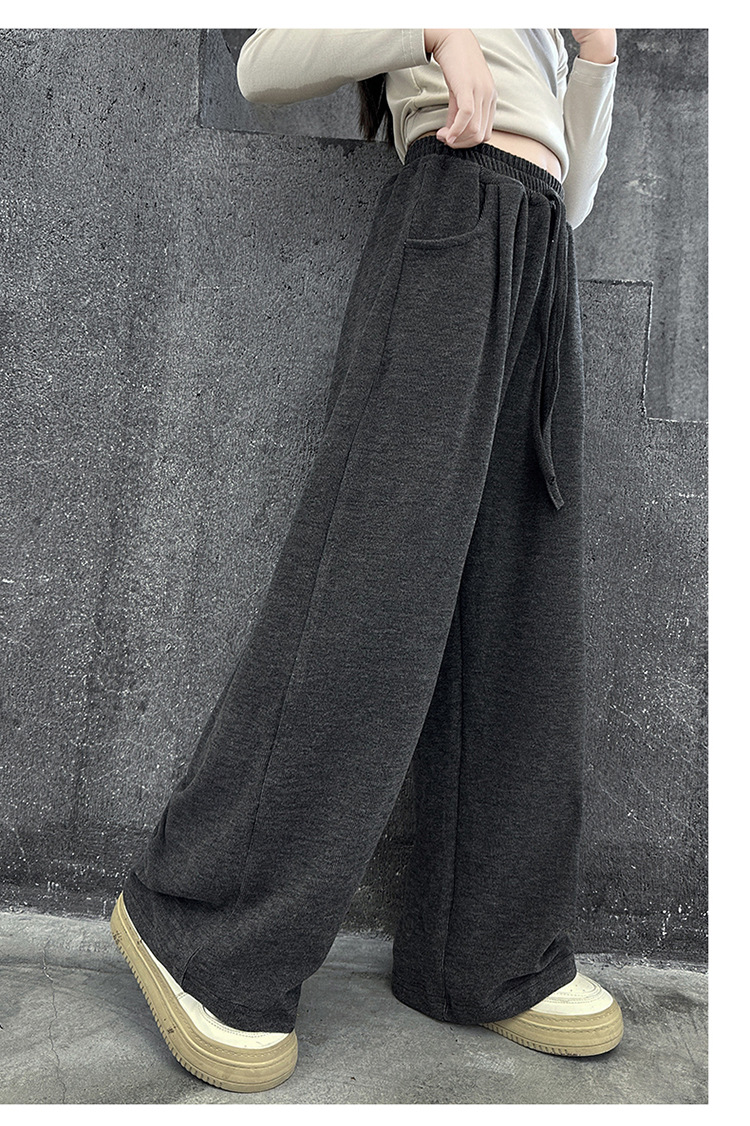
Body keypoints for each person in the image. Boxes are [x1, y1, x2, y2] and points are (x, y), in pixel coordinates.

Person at [110, 28, 622, 1093]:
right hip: (452, 219)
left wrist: (597, 59)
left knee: (520, 615)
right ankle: (200, 926)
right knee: (371, 599)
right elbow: (262, 63)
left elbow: (574, 192)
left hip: (540, 249)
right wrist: (436, 29)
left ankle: (482, 954)